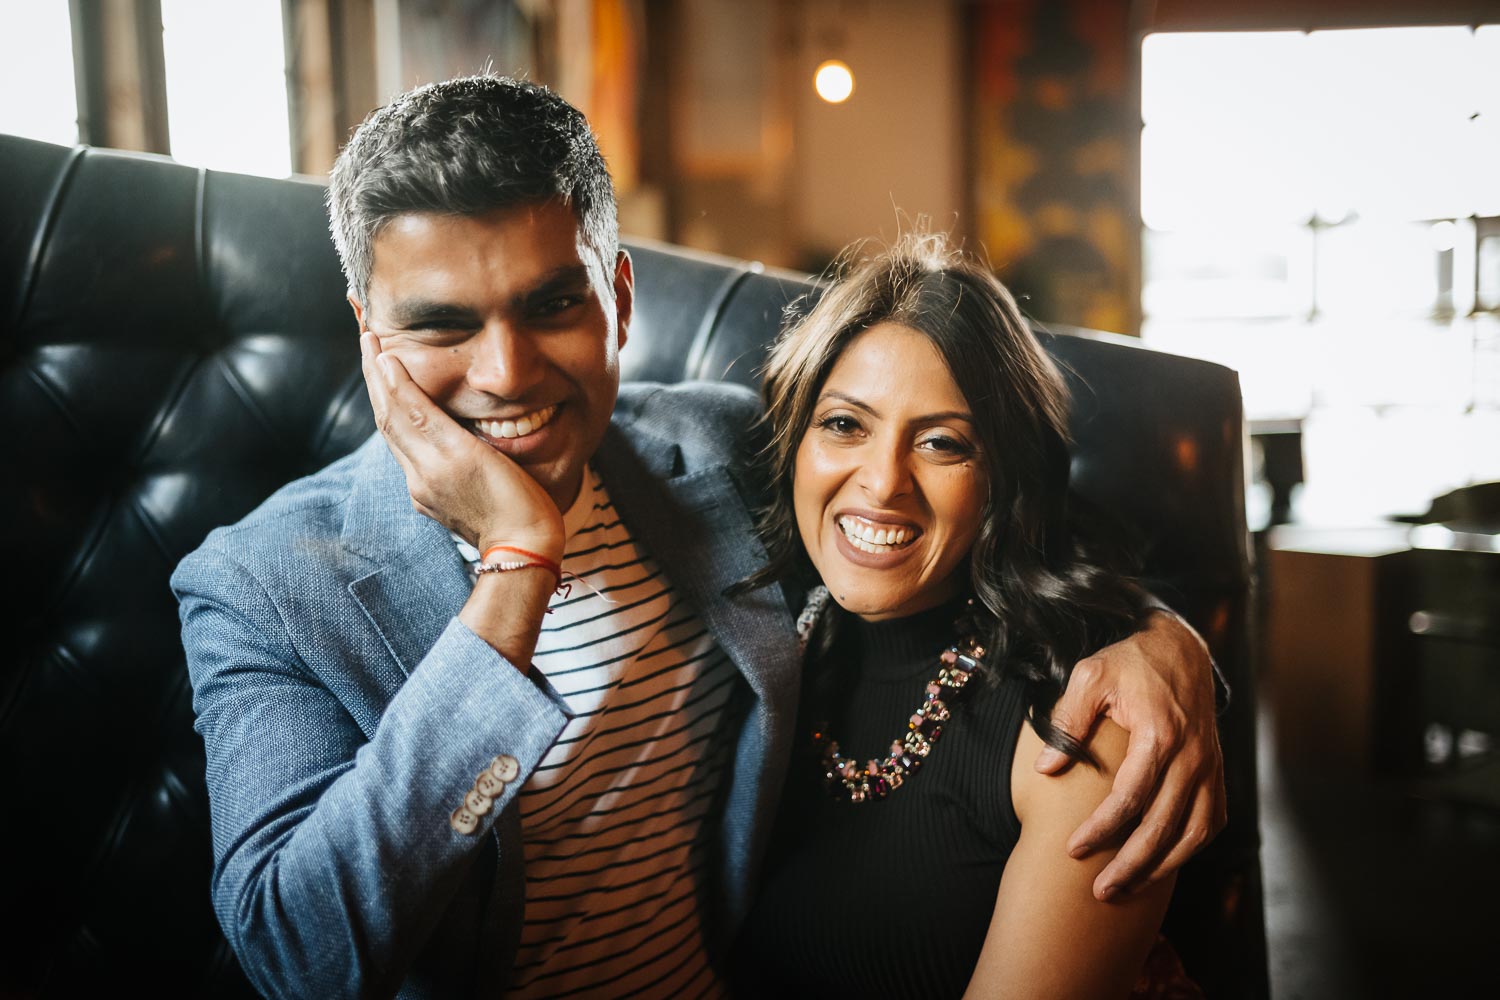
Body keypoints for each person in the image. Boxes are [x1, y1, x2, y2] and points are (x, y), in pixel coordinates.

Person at [171, 75, 1222, 998]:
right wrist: (512, 573)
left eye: (551, 304)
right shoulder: (261, 584)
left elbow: (949, 495)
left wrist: (1161, 638)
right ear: (370, 331)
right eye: (444, 323)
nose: (504, 372)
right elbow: (300, 961)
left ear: (617, 298)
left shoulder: (713, 448)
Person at [733, 233, 1200, 998]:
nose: (882, 482)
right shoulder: (765, 636)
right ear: (794, 441)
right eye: (846, 424)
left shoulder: (1086, 723)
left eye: (942, 442)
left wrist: (1168, 641)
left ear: (1003, 480)